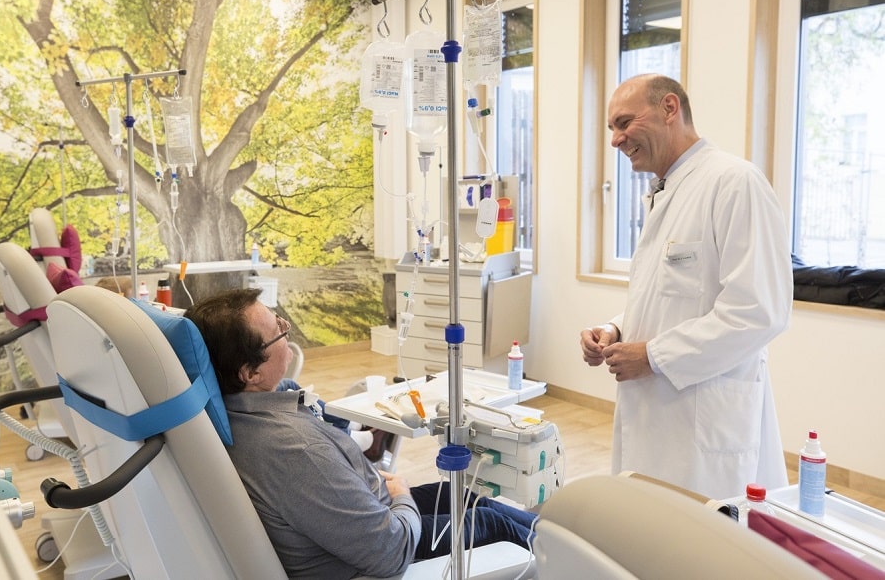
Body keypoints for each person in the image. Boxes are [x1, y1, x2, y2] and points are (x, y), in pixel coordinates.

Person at [185, 288, 536, 579]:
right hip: (371, 553)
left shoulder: (239, 409)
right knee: (492, 521)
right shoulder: (297, 450)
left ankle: (564, 535)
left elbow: (300, 405)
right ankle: (574, 557)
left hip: (359, 514)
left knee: (463, 496)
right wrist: (401, 496)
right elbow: (391, 550)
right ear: (249, 372)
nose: (286, 328)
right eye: (278, 330)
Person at [579, 74, 793, 500]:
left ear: (669, 109)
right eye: (611, 129)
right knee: (655, 527)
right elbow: (671, 293)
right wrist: (616, 330)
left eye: (624, 123)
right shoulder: (667, 190)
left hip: (704, 414)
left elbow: (759, 312)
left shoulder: (734, 183)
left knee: (704, 546)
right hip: (659, 411)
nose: (616, 140)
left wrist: (654, 356)